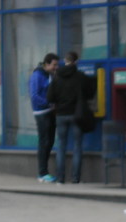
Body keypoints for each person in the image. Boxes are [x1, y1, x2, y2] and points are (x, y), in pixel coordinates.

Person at [47, 51, 95, 184]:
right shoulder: (81, 76)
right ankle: (75, 178)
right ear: (77, 61)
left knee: (61, 146)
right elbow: (91, 93)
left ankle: (61, 179)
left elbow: (50, 97)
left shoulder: (57, 77)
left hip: (61, 115)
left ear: (65, 60)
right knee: (77, 146)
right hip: (77, 115)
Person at [30, 53, 59, 183]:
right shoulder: (37, 76)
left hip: (50, 112)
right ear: (46, 64)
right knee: (44, 142)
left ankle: (44, 172)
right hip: (41, 114)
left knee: (50, 141)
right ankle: (42, 173)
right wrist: (48, 103)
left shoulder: (50, 75)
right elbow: (34, 96)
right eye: (54, 65)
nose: (56, 67)